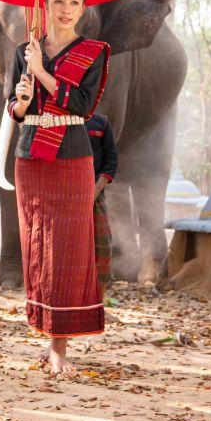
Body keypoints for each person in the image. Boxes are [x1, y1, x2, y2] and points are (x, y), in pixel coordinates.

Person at [8, 0, 111, 374]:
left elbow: (83, 105)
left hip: (71, 154)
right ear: (45, 4)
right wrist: (21, 98)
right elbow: (14, 110)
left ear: (83, 8)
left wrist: (43, 75)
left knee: (67, 247)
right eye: (58, 1)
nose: (66, 9)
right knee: (37, 244)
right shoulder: (25, 50)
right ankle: (45, 331)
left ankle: (60, 347)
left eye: (74, 2)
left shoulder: (95, 53)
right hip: (30, 155)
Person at [86, 112, 117, 313]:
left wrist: (95, 189)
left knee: (102, 250)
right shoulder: (61, 120)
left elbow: (111, 161)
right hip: (65, 199)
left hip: (96, 198)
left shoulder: (101, 122)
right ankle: (70, 305)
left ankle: (98, 307)